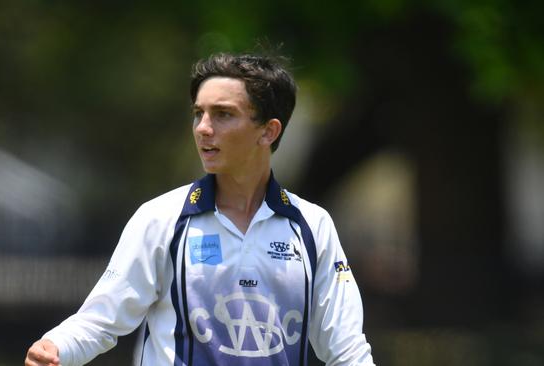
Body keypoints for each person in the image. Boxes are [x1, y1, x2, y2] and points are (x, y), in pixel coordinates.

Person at [25, 53, 374, 366]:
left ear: (268, 131)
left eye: (223, 114)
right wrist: (58, 345)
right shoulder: (160, 218)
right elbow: (102, 319)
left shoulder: (313, 226)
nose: (204, 128)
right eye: (198, 114)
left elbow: (346, 349)